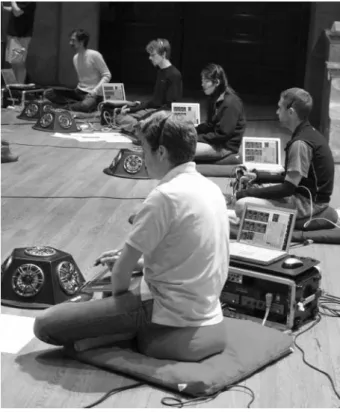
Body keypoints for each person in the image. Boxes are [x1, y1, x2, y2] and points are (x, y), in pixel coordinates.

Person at [34, 111, 230, 362]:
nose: (142, 157)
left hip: (167, 313)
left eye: (145, 150)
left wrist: (117, 310)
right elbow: (191, 253)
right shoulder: (211, 188)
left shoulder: (165, 196)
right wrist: (140, 264)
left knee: (45, 323)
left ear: (161, 152)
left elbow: (120, 274)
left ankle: (120, 334)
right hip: (206, 307)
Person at [235, 88, 335, 220]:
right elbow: (290, 178)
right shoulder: (308, 133)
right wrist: (258, 176)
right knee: (256, 187)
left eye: (279, 108)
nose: (277, 112)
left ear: (291, 112)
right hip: (304, 196)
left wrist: (246, 193)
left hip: (308, 205)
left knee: (242, 205)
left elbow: (287, 189)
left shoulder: (300, 144)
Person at [115, 38, 182, 134]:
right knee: (120, 115)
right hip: (154, 110)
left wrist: (146, 118)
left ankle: (142, 132)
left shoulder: (174, 75)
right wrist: (132, 109)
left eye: (153, 55)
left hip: (163, 114)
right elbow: (155, 101)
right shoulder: (161, 72)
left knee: (136, 123)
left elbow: (170, 107)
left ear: (163, 54)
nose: (150, 58)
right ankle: (140, 131)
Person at [44, 29, 111, 113]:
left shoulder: (94, 55)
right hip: (79, 92)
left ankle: (65, 107)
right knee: (48, 93)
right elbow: (82, 81)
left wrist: (95, 91)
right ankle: (75, 105)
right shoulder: (75, 57)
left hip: (93, 94)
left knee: (86, 105)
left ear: (81, 42)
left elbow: (107, 75)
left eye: (73, 40)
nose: (70, 43)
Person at [195, 63, 246, 162]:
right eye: (202, 81)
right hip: (215, 142)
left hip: (225, 147)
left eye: (206, 81)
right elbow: (210, 125)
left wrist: (196, 138)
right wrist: (192, 130)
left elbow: (222, 135)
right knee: (181, 142)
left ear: (217, 82)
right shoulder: (213, 98)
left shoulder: (231, 103)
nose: (202, 84)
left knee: (183, 149)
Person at [2, 1, 36, 84]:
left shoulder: (30, 2)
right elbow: (14, 9)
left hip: (21, 36)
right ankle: (14, 86)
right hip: (13, 34)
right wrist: (3, 8)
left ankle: (20, 86)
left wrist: (12, 1)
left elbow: (17, 12)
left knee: (19, 63)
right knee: (13, 62)